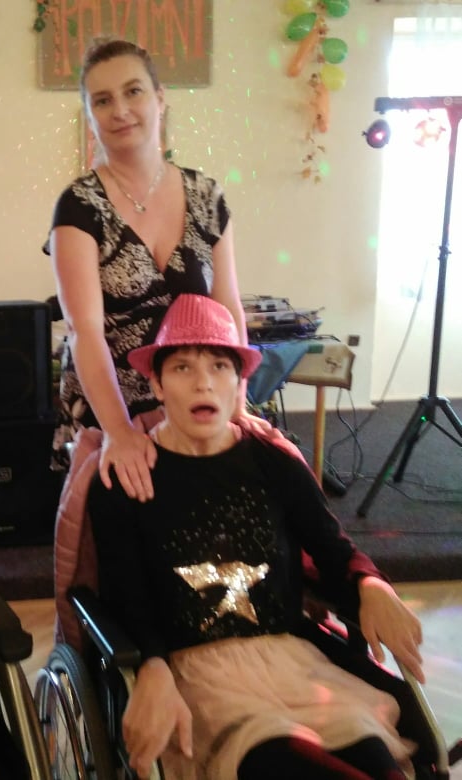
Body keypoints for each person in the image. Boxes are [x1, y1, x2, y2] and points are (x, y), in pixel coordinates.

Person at [88, 294, 424, 780]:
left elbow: (332, 550)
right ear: (157, 385)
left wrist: (371, 585)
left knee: (370, 750)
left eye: (219, 366)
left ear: (239, 383)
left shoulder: (274, 462)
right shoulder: (129, 478)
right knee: (278, 758)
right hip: (193, 676)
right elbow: (125, 598)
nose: (203, 382)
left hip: (289, 660)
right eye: (182, 368)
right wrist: (152, 667)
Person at [47, 36, 261, 503]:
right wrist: (120, 433)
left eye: (133, 91)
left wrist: (237, 401)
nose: (120, 110)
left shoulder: (207, 195)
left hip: (196, 400)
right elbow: (85, 331)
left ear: (160, 99)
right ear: (90, 116)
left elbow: (227, 308)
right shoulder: (78, 206)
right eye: (103, 100)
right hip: (113, 407)